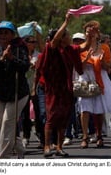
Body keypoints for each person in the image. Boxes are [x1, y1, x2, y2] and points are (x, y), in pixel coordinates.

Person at [38, 12, 94, 157]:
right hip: (53, 89)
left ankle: (59, 147)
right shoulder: (54, 48)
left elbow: (85, 46)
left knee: (64, 119)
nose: (70, 37)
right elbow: (55, 39)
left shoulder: (70, 49)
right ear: (62, 38)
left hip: (66, 88)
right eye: (67, 35)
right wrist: (66, 21)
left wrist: (90, 35)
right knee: (51, 118)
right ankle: (47, 146)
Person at [77, 21, 111, 149]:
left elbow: (108, 68)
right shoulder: (80, 47)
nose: (91, 34)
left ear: (98, 34)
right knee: (84, 108)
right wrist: (86, 60)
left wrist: (101, 61)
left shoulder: (105, 48)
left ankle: (99, 136)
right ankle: (85, 136)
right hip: (85, 77)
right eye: (88, 31)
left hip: (100, 78)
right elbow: (79, 68)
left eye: (93, 31)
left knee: (98, 109)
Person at [0, 21, 30, 158]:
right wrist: (2, 59)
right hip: (0, 95)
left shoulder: (20, 49)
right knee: (3, 126)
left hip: (18, 94)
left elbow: (25, 67)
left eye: (6, 32)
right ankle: (20, 149)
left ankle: (3, 160)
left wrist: (12, 58)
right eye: (0, 32)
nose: (3, 35)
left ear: (12, 35)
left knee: (7, 124)